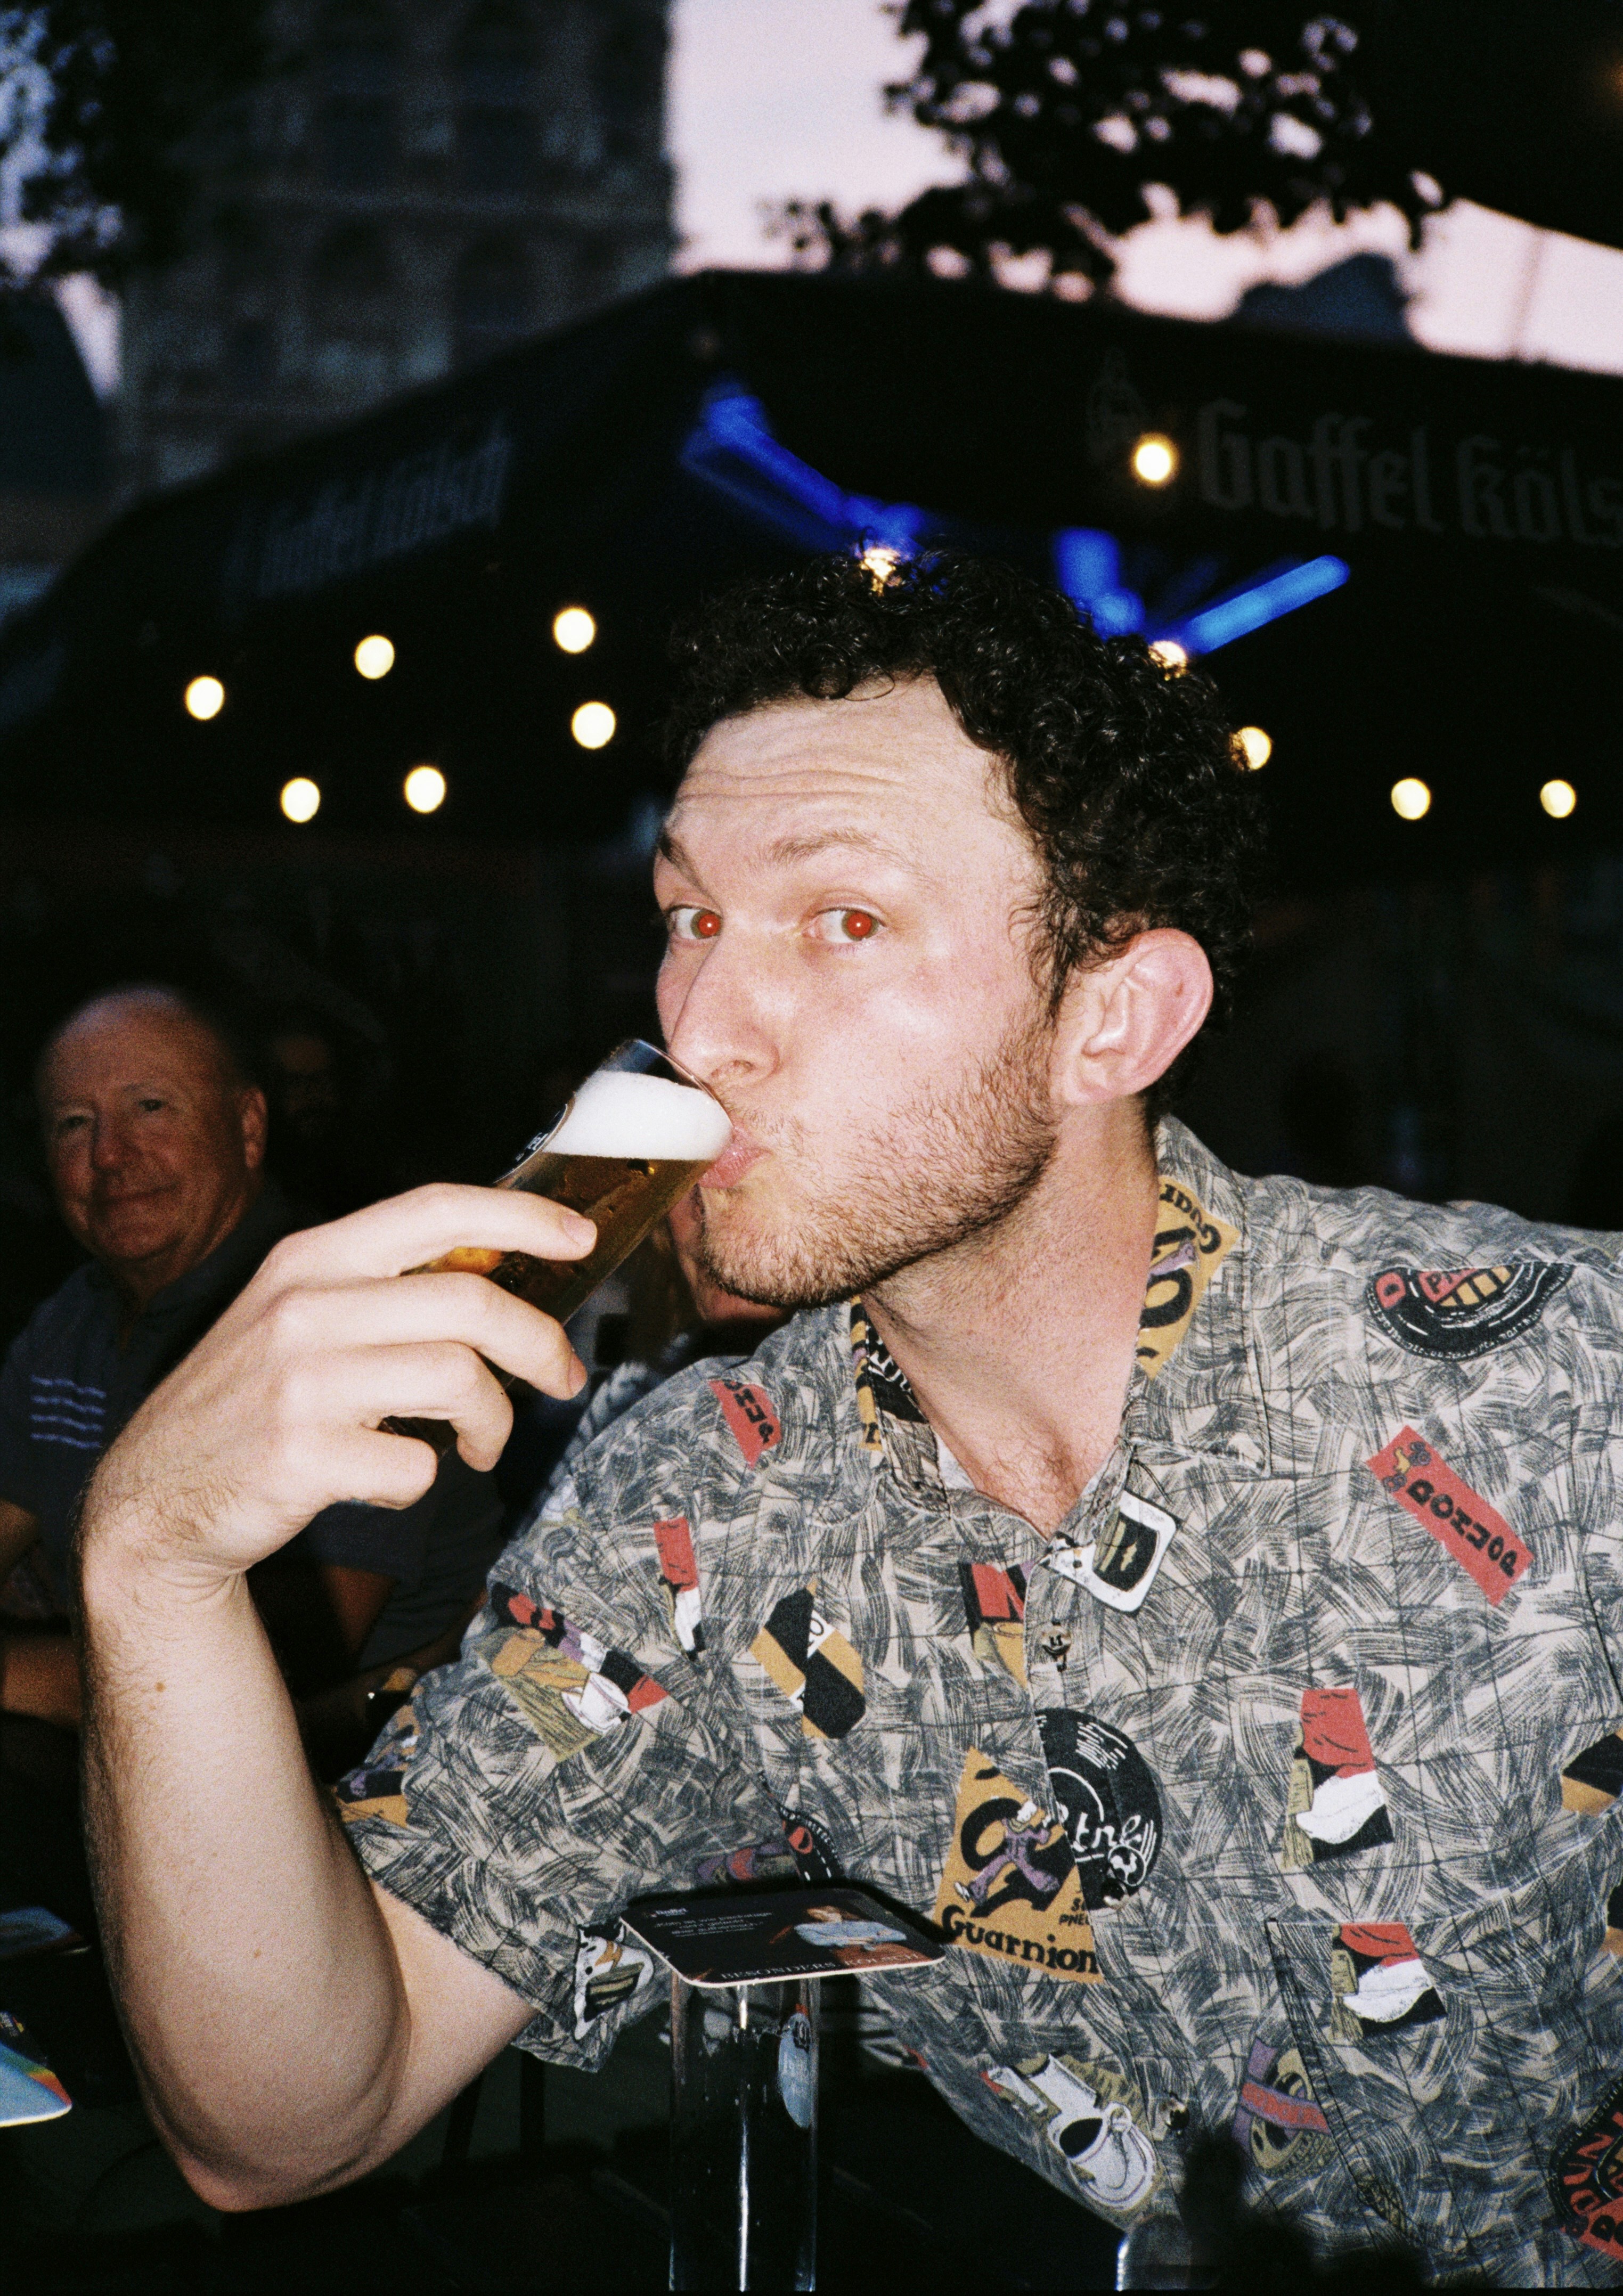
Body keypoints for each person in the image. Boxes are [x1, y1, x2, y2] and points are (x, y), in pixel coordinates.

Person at [69, 554, 1623, 2285]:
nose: (697, 1027)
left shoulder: (1558, 1390)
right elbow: (284, 2121)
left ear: (1113, 1017)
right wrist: (154, 1563)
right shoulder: (708, 1512)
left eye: (844, 920)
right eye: (690, 918)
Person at [0, 985, 503, 1741]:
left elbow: (269, 1668)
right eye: (74, 1123)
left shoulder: (341, 1318)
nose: (109, 1155)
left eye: (150, 1108)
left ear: (247, 1128)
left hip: (359, 1769)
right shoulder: (71, 1321)